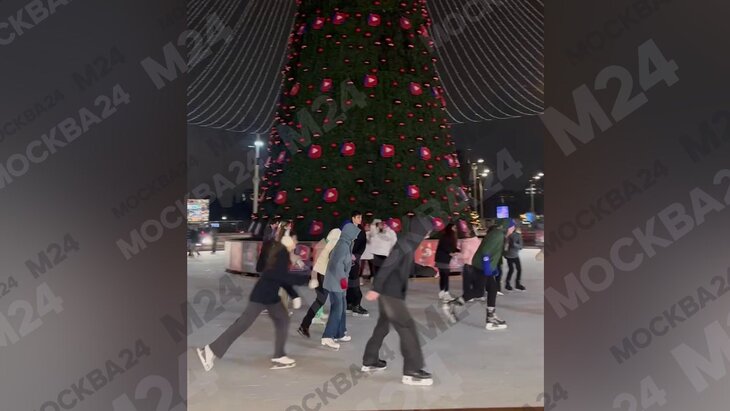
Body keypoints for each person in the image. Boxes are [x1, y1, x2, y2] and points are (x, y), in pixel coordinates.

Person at [196, 224, 310, 371]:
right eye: (295, 239)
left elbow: (280, 278)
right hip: (262, 296)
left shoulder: (281, 253)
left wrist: (294, 295)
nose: (296, 242)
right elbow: (281, 277)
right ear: (288, 239)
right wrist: (305, 281)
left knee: (283, 319)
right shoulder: (281, 254)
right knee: (242, 324)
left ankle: (279, 355)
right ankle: (210, 350)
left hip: (270, 297)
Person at [362, 216, 434, 386]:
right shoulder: (405, 243)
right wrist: (376, 288)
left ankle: (370, 360)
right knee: (407, 327)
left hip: (390, 292)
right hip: (390, 293)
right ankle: (412, 370)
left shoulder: (409, 242)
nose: (429, 233)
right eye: (428, 229)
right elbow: (389, 264)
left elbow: (408, 266)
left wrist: (429, 270)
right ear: (422, 229)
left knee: (383, 326)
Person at [321, 222, 360, 350]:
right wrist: (342, 279)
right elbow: (336, 264)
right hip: (336, 281)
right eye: (355, 234)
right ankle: (327, 336)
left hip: (340, 281)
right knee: (337, 308)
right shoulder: (342, 245)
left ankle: (340, 333)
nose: (356, 237)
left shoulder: (346, 244)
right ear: (349, 233)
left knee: (342, 307)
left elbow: (342, 261)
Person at [472, 219, 515, 331]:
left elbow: (494, 253)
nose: (513, 229)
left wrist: (493, 267)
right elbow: (486, 251)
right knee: (479, 291)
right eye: (512, 227)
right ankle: (454, 303)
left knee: (492, 289)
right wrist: (487, 267)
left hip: (485, 266)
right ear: (508, 227)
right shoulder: (498, 235)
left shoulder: (500, 235)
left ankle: (490, 317)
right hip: (482, 267)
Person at [298, 228, 341, 338]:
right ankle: (333, 330)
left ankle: (305, 325)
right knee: (327, 301)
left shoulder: (325, 243)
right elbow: (328, 263)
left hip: (321, 275)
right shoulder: (331, 245)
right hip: (322, 275)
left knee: (321, 301)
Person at [346, 211, 369, 316]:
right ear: (353, 218)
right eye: (358, 217)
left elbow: (363, 245)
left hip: (355, 259)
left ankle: (356, 303)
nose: (360, 219)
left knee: (354, 280)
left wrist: (356, 256)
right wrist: (347, 254)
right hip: (345, 258)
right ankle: (349, 303)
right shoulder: (347, 229)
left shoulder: (361, 231)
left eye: (361, 217)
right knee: (348, 281)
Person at [435, 223, 460, 301]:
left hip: (442, 259)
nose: (455, 229)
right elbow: (444, 247)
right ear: (450, 228)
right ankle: (446, 293)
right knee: (445, 275)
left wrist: (458, 250)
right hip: (442, 259)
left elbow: (452, 247)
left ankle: (442, 292)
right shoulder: (446, 236)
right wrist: (450, 253)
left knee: (443, 276)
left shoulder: (449, 236)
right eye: (454, 227)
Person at [504, 221, 525, 291]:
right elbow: (505, 246)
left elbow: (521, 246)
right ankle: (510, 284)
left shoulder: (517, 235)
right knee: (513, 269)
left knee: (515, 269)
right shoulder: (509, 236)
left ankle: (514, 284)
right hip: (510, 255)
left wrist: (514, 244)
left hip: (514, 255)